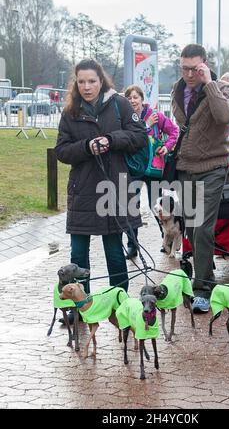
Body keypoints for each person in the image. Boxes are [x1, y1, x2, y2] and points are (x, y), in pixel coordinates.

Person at [55, 59, 148, 323]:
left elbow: (140, 136)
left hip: (113, 188)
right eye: (81, 81)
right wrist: (86, 146)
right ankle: (79, 309)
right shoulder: (70, 111)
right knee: (78, 255)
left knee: (115, 253)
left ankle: (120, 306)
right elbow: (62, 150)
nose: (87, 87)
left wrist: (111, 140)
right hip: (83, 190)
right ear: (76, 82)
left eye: (92, 81)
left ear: (101, 81)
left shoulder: (119, 104)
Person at [172, 44, 229, 313]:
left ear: (205, 64)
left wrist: (208, 82)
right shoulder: (178, 90)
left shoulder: (222, 88)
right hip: (186, 167)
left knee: (202, 228)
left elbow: (224, 116)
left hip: (213, 167)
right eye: (184, 68)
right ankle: (204, 269)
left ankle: (202, 289)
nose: (189, 74)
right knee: (191, 226)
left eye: (194, 68)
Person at [124, 85, 179, 259]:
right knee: (132, 206)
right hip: (133, 167)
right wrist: (145, 126)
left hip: (153, 168)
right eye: (129, 98)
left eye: (135, 97)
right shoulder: (125, 119)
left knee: (157, 205)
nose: (133, 101)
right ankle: (132, 245)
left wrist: (166, 147)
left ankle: (167, 238)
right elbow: (128, 138)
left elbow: (174, 131)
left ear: (142, 99)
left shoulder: (156, 116)